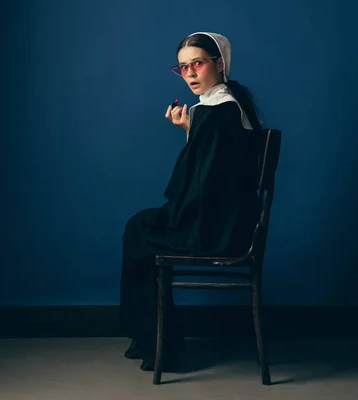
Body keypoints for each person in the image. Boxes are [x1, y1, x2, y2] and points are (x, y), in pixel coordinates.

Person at [119, 32, 263, 372]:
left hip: (217, 230)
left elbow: (201, 184)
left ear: (219, 64)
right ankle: (156, 338)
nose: (190, 74)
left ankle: (158, 342)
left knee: (138, 230)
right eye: (183, 68)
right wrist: (189, 129)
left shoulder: (217, 111)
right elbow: (211, 173)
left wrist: (193, 129)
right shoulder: (226, 106)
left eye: (197, 63)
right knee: (141, 224)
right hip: (229, 220)